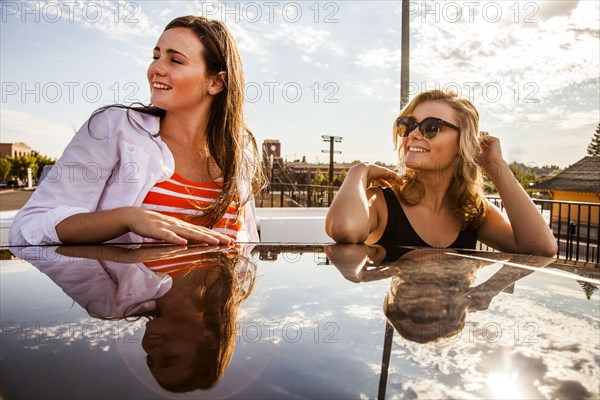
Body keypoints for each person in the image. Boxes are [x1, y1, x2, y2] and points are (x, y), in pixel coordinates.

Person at [9, 16, 265, 246]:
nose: (156, 69)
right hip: (138, 301)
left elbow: (246, 246)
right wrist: (126, 218)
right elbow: (28, 227)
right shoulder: (113, 129)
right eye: (156, 56)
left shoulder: (239, 152)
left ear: (215, 82)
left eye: (175, 60)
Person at [326, 89, 557, 256]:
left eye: (430, 127)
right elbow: (344, 229)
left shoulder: (472, 211)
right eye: (407, 124)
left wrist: (496, 166)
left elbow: (541, 248)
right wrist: (358, 171)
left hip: (451, 319)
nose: (412, 134)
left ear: (463, 142)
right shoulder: (380, 200)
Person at [11, 243, 257, 392]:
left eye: (149, 359)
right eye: (169, 358)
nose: (151, 349)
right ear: (209, 339)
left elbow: (59, 251)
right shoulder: (230, 269)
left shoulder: (110, 299)